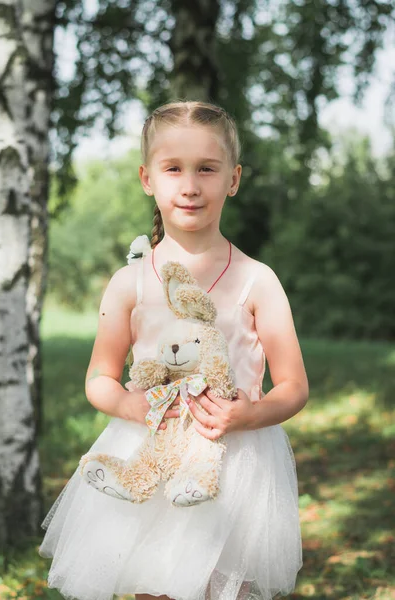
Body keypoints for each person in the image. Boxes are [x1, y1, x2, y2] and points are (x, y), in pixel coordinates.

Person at [39, 100, 309, 600]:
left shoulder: (257, 281)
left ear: (233, 178)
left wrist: (248, 414)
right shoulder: (130, 283)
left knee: (223, 588)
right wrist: (127, 404)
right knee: (156, 588)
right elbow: (99, 376)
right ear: (148, 178)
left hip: (233, 461)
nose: (190, 185)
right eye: (173, 169)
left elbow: (294, 385)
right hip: (150, 449)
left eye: (207, 169)